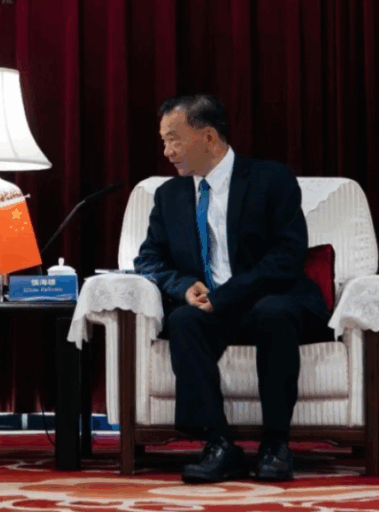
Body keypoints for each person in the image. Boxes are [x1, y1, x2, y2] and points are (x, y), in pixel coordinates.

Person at [134, 94, 331, 483]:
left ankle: (276, 444)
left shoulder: (270, 179)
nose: (167, 151)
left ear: (208, 137)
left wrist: (226, 295)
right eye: (163, 141)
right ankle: (219, 444)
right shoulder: (169, 195)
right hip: (213, 309)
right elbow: (148, 259)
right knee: (184, 321)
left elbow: (287, 256)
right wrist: (183, 286)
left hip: (273, 299)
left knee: (272, 313)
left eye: (174, 139)